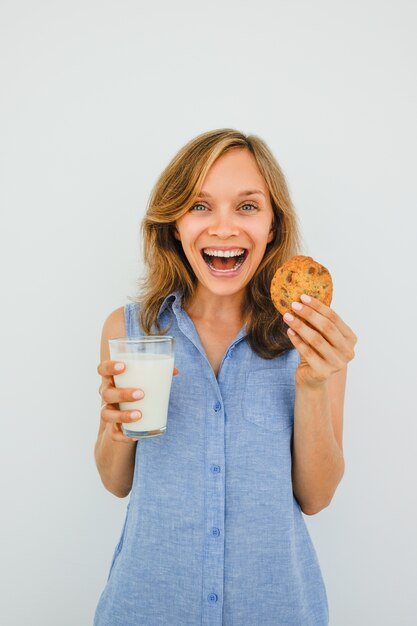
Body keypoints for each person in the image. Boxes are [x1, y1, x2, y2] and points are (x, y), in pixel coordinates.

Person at [93, 128, 357, 626]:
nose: (223, 227)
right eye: (199, 206)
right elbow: (115, 481)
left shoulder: (310, 337)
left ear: (274, 225)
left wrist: (314, 383)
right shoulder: (131, 329)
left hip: (275, 609)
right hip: (148, 606)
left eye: (247, 206)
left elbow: (317, 496)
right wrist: (115, 426)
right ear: (174, 223)